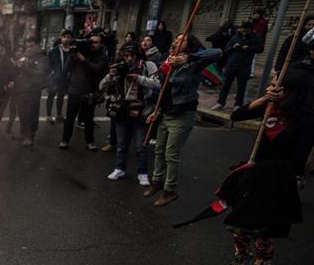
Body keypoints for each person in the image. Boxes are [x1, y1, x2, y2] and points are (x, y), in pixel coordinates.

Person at [220, 68, 313, 265]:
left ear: (291, 91)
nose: (271, 88)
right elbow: (237, 115)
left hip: (277, 178)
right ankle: (241, 260)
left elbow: (298, 160)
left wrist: (267, 172)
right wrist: (263, 100)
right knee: (238, 221)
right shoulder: (270, 107)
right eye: (270, 85)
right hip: (255, 171)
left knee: (262, 227)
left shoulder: (306, 119)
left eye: (276, 86)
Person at [144, 35, 221, 206]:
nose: (176, 42)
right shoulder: (167, 61)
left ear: (189, 46)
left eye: (182, 40)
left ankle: (169, 191)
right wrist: (157, 111)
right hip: (166, 113)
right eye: (176, 39)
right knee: (159, 150)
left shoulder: (193, 64)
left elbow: (217, 52)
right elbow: (164, 91)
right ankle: (156, 182)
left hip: (182, 115)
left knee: (171, 154)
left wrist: (187, 58)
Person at [98, 42, 159, 185]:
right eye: (126, 55)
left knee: (140, 146)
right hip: (121, 111)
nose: (129, 59)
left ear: (138, 56)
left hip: (140, 110)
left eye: (132, 55)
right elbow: (101, 86)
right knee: (121, 144)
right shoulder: (118, 67)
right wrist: (111, 76)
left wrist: (138, 78)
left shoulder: (147, 66)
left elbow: (157, 84)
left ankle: (143, 172)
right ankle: (119, 168)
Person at [60, 32, 107, 150]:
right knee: (70, 117)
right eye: (91, 41)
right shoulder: (79, 52)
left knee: (88, 119)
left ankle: (90, 142)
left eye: (96, 42)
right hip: (75, 90)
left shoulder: (101, 55)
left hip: (89, 91)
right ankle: (65, 140)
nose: (93, 44)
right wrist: (71, 56)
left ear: (101, 44)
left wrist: (83, 60)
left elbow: (97, 69)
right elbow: (65, 70)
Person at [213, 21, 264, 110]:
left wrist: (248, 48)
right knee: (225, 84)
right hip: (231, 64)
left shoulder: (256, 38)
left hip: (245, 65)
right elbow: (226, 49)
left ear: (251, 30)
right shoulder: (235, 37)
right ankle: (220, 102)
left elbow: (260, 49)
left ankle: (238, 104)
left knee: (241, 86)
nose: (243, 32)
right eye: (242, 30)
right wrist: (234, 47)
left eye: (246, 31)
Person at [11, 37, 48, 146]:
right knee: (22, 113)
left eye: (32, 46)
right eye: (28, 46)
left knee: (31, 113)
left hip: (33, 90)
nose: (29, 49)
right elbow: (20, 72)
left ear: (37, 45)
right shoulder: (26, 57)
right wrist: (16, 66)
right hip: (22, 89)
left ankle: (30, 136)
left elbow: (39, 73)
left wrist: (25, 66)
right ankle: (23, 134)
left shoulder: (42, 58)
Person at [46, 30, 72, 124]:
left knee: (61, 97)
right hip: (54, 78)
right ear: (61, 38)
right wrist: (52, 72)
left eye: (68, 37)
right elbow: (48, 62)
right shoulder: (55, 50)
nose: (66, 39)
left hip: (65, 79)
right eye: (64, 37)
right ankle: (49, 115)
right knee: (51, 96)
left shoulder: (72, 51)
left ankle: (59, 114)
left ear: (71, 39)